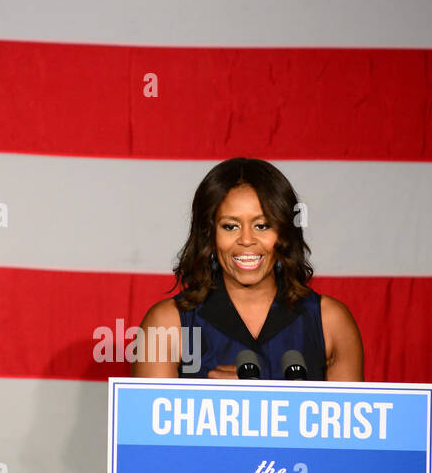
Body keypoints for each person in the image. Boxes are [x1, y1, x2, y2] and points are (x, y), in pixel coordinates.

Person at [133, 157, 362, 380]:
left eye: (262, 225)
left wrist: (253, 399)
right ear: (209, 235)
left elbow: (346, 418)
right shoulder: (166, 323)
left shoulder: (330, 322)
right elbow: (149, 419)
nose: (246, 240)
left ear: (283, 232)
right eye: (230, 226)